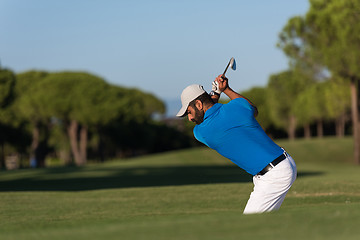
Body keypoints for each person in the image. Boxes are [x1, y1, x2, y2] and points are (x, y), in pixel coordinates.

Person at [176, 75, 297, 214]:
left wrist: (215, 94)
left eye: (189, 112)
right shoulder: (236, 107)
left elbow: (212, 113)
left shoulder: (201, 132)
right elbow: (252, 109)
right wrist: (226, 89)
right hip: (283, 163)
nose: (190, 118)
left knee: (249, 227)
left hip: (273, 175)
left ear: (198, 104)